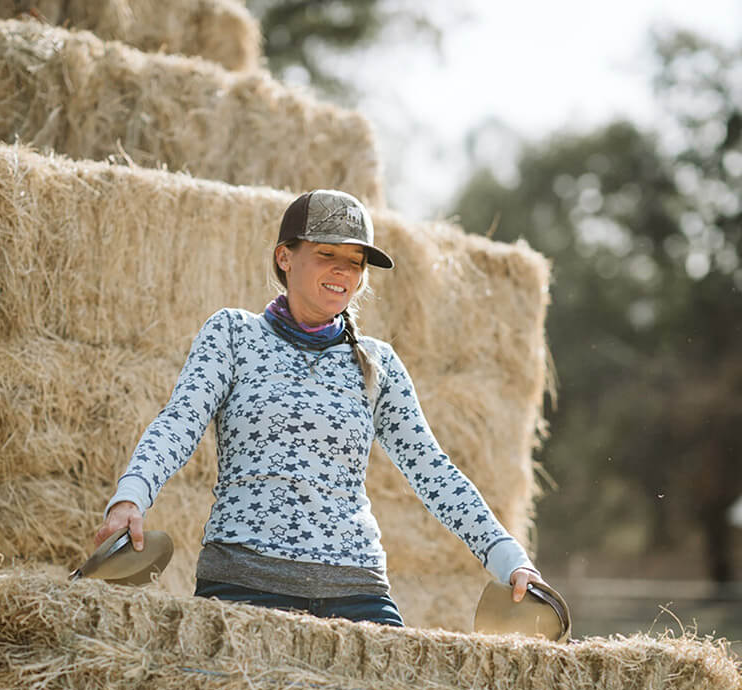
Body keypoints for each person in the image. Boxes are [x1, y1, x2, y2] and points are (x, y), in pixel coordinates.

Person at [96, 189, 542, 627]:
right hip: (244, 580)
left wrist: (509, 559)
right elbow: (180, 422)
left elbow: (433, 470)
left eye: (354, 262)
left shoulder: (377, 363)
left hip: (357, 588)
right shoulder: (233, 334)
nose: (342, 271)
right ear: (284, 257)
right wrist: (130, 498)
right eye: (327, 253)